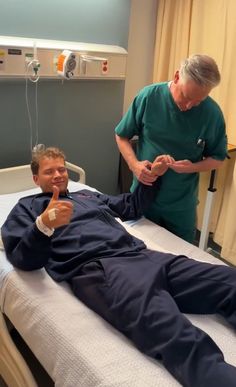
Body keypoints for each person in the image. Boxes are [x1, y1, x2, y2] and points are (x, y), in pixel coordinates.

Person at [2, 146, 236, 387]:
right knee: (177, 335)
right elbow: (23, 259)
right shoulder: (26, 208)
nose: (59, 175)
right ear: (35, 178)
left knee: (229, 281)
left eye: (61, 168)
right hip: (104, 271)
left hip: (143, 255)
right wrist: (44, 225)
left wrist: (151, 177)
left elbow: (130, 207)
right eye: (49, 171)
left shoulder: (86, 196)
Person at [115, 54, 227, 243]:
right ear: (176, 77)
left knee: (183, 260)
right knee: (138, 254)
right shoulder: (149, 97)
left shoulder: (211, 113)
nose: (189, 106)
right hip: (144, 196)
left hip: (181, 205)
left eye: (198, 101)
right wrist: (134, 165)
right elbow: (121, 135)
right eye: (187, 97)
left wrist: (190, 167)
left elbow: (218, 158)